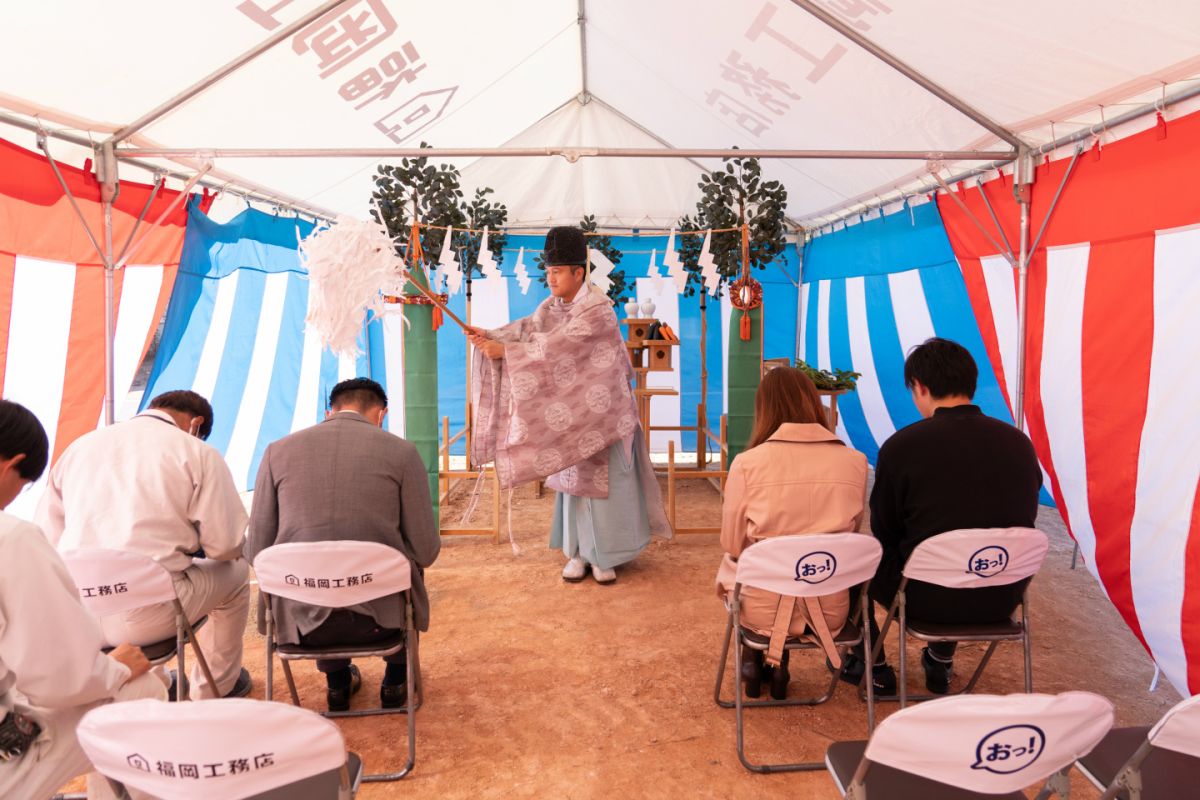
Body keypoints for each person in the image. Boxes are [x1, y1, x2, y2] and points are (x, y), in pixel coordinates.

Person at [468, 225, 671, 584]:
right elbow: (530, 331)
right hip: (572, 416)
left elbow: (560, 346)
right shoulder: (551, 307)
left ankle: (606, 554)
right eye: (548, 271)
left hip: (606, 415)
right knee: (572, 482)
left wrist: (507, 352)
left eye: (557, 271)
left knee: (608, 488)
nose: (551, 278)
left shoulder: (599, 311)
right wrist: (491, 336)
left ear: (580, 272)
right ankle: (578, 552)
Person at [847, 338, 1043, 694]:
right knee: (957, 548)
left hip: (923, 597)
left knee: (853, 557)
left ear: (920, 387)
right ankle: (939, 661)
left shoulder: (902, 447)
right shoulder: (1019, 443)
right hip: (1002, 594)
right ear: (970, 382)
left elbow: (884, 530)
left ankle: (874, 667)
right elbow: (1024, 516)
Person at [36, 390, 252, 700]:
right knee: (237, 573)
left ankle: (159, 683)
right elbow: (226, 546)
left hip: (80, 612)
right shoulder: (196, 452)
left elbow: (49, 537)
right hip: (152, 614)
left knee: (156, 573)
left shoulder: (79, 448)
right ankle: (212, 690)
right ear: (197, 424)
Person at [0, 400, 166, 800]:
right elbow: (61, 679)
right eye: (19, 487)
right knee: (146, 690)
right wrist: (115, 670)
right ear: (11, 464)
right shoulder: (12, 538)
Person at [246, 378, 439, 712]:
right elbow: (425, 550)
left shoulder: (277, 452)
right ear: (381, 414)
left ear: (328, 412)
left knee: (315, 574)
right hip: (381, 621)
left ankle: (337, 685)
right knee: (407, 567)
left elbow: (256, 551)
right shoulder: (402, 453)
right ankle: (395, 680)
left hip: (303, 624)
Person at [716, 367, 868, 699]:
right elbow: (852, 537)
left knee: (740, 563)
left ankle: (758, 657)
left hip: (760, 608)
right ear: (815, 404)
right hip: (830, 611)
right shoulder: (855, 462)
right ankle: (769, 660)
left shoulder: (747, 463)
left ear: (764, 409)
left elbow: (733, 542)